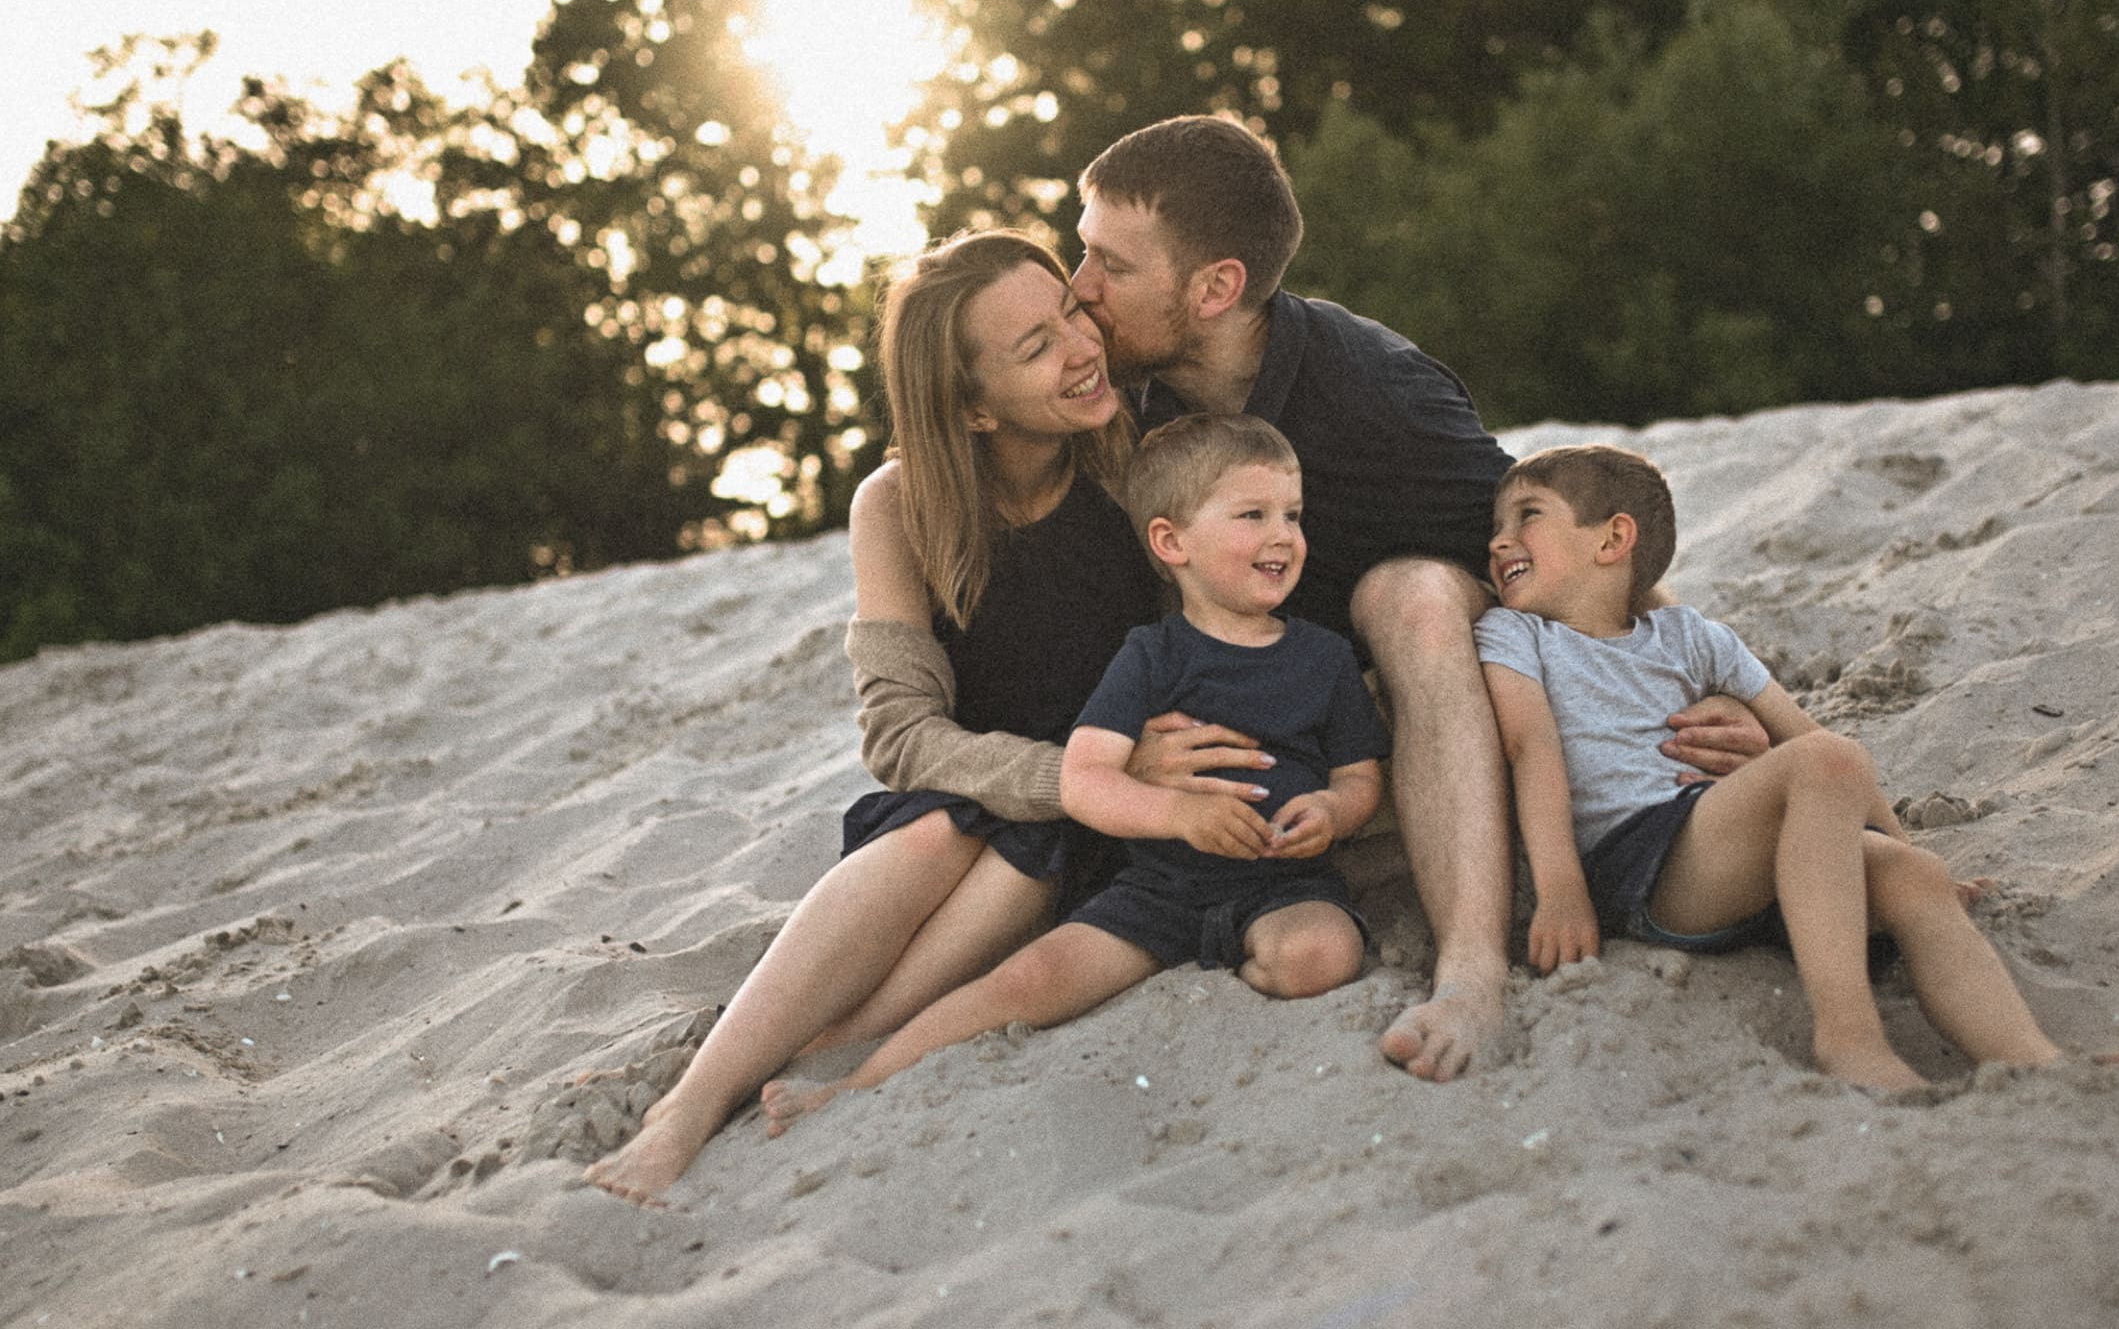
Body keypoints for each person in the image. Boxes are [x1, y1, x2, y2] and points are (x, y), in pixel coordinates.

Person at [1063, 114, 1770, 1080]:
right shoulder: (1113, 398)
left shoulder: (1372, 391)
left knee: (1413, 595)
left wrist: (1688, 691)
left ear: (1217, 287)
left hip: (1422, 707)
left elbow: (1562, 534)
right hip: (1267, 747)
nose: (1080, 286)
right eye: (1080, 250)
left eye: (1111, 263)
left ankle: (1472, 973)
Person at [584, 230, 1160, 1204]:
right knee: (945, 825)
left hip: (1109, 817)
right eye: (1035, 346)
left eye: (1068, 309)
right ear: (973, 406)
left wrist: (1093, 780)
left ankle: (836, 1043)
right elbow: (899, 735)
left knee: (1033, 843)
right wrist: (1049, 776)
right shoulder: (898, 505)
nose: (1080, 344)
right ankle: (687, 1106)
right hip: (978, 803)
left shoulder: (1136, 461)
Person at [768, 414, 1385, 1118]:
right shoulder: (1149, 656)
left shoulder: (1323, 656)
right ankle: (853, 1086)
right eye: (1253, 515)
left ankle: (1240, 958)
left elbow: (1360, 776)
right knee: (1025, 981)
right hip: (1154, 890)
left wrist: (1334, 812)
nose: (1283, 535)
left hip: (1284, 880)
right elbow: (1087, 777)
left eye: (1292, 516)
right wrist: (1179, 813)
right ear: (1170, 541)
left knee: (1320, 957)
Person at [1476, 444, 2063, 1092]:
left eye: (1526, 515)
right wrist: (1562, 891)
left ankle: (2034, 1061)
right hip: (1643, 860)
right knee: (1827, 762)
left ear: (1614, 538)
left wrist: (1896, 845)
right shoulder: (1518, 636)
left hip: (1750, 858)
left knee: (1915, 874)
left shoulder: (1693, 637)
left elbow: (1801, 732)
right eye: (1496, 528)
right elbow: (1531, 748)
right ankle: (1850, 1039)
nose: (1501, 542)